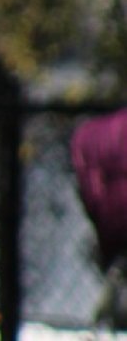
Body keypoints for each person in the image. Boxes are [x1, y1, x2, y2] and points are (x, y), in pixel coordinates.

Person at [70, 107, 127, 329]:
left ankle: (103, 325)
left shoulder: (90, 133)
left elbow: (90, 188)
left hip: (111, 223)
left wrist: (102, 221)